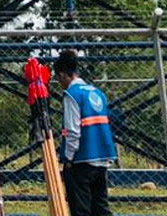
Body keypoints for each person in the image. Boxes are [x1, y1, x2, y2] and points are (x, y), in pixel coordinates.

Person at [53, 48, 115, 216]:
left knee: (80, 209)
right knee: (101, 207)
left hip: (82, 159)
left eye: (59, 80)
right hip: (102, 157)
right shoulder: (97, 92)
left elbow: (72, 131)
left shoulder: (72, 94)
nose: (60, 84)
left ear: (63, 75)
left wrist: (68, 159)